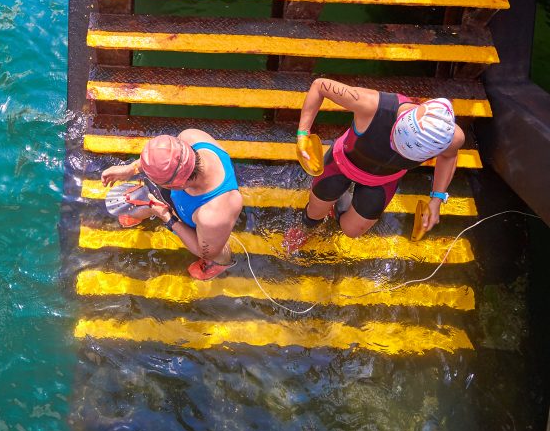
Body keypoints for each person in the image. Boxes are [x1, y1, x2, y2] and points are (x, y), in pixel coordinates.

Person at [283, 77, 464, 252]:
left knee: (352, 230)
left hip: (384, 179)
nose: (397, 152)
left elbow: (448, 157)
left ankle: (338, 204)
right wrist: (302, 134)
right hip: (343, 163)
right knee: (315, 213)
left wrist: (437, 199)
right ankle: (307, 228)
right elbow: (320, 86)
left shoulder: (451, 138)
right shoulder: (372, 106)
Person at [101, 130, 243, 280]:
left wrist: (167, 218)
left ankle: (217, 265)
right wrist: (131, 169)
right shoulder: (190, 137)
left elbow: (205, 251)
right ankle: (152, 208)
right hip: (184, 200)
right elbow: (167, 157)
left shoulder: (214, 214)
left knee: (216, 254)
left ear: (176, 184)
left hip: (205, 226)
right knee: (148, 195)